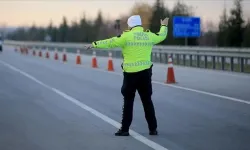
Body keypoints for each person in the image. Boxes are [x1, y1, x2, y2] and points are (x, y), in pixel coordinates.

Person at [85, 15, 169, 136]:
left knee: (128, 101)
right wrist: (164, 25)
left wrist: (94, 44)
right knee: (147, 101)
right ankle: (153, 129)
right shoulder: (148, 35)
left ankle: (124, 129)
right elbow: (162, 36)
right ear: (140, 24)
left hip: (130, 75)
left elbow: (110, 42)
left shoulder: (126, 36)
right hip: (145, 74)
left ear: (130, 25)